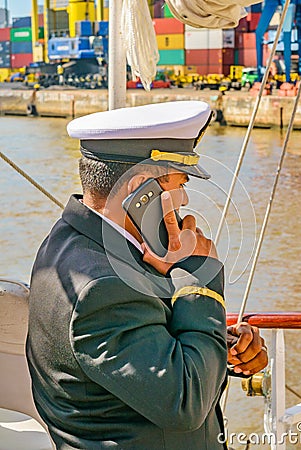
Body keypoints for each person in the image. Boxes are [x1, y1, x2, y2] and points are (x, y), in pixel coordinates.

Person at [26, 101, 267, 449]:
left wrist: (220, 346)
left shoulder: (73, 242)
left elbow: (140, 352)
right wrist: (200, 280)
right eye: (178, 183)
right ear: (141, 189)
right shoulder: (102, 287)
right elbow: (186, 401)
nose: (184, 199)